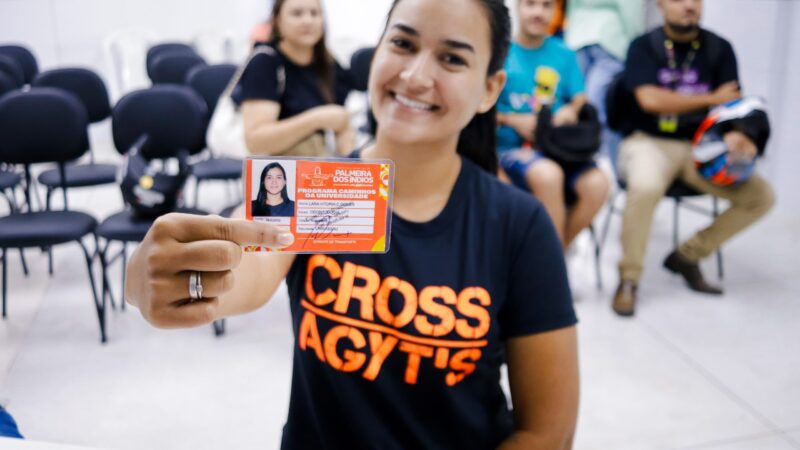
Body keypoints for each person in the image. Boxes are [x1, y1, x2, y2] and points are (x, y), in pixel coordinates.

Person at [125, 0, 580, 448]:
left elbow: (546, 432)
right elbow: (248, 261)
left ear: (489, 89)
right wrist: (172, 275)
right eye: (402, 43)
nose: (416, 76)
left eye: (452, 58)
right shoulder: (320, 191)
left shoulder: (518, 225)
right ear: (377, 51)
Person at [612, 0, 775, 316]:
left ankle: (687, 255)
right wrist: (711, 99)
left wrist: (739, 133)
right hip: (649, 141)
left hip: (702, 145)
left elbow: (733, 107)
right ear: (660, 4)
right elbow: (649, 100)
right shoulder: (644, 46)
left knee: (761, 196)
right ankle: (629, 279)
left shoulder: (718, 49)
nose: (689, 5)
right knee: (645, 187)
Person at [496, 0, 609, 248]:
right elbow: (476, 109)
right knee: (548, 175)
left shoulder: (564, 53)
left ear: (556, 11)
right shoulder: (500, 53)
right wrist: (511, 120)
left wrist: (570, 109)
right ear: (517, 7)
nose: (539, 12)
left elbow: (580, 97)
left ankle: (552, 258)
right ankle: (550, 268)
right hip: (510, 151)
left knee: (598, 184)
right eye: (531, 4)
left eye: (547, 5)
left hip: (558, 148)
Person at [233, 0, 356, 156]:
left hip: (317, 167)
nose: (308, 21)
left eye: (314, 13)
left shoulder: (327, 63)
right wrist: (317, 119)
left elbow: (341, 123)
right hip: (277, 171)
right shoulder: (265, 62)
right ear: (277, 21)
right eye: (297, 13)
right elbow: (256, 142)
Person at [565, 0, 646, 165]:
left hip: (580, 40)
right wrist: (638, 49)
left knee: (591, 110)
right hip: (607, 42)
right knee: (596, 112)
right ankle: (600, 170)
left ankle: (600, 170)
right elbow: (632, 13)